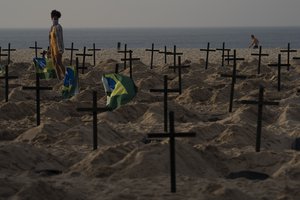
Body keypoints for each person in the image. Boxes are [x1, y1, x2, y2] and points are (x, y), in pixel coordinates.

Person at [49, 10, 65, 80]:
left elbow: (60, 38)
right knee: (55, 63)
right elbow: (50, 39)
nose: (55, 20)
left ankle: (65, 76)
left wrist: (60, 49)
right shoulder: (51, 28)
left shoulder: (58, 27)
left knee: (59, 62)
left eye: (56, 19)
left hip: (58, 48)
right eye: (54, 18)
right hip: (53, 48)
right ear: (51, 18)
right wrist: (50, 49)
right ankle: (59, 78)